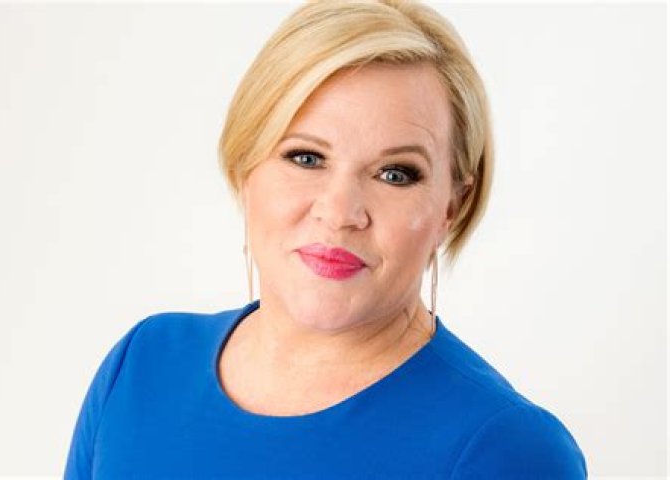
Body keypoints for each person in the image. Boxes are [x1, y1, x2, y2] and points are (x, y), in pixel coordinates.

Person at [64, 1, 588, 478]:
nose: (339, 213)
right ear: (245, 168)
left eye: (395, 174)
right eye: (306, 157)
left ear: (451, 207)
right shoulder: (143, 366)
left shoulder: (508, 451)